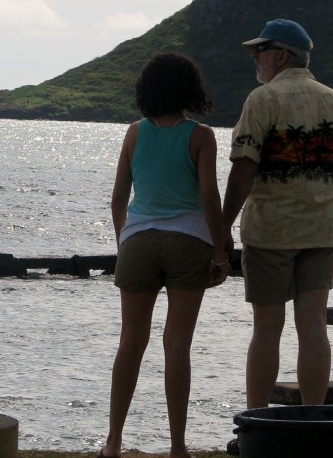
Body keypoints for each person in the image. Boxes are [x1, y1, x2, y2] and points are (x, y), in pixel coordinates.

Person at [221, 19, 333, 454]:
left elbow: (244, 167)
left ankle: (257, 424)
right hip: (322, 230)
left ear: (281, 55)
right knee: (313, 325)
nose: (255, 59)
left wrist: (221, 226)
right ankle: (314, 420)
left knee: (267, 327)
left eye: (260, 51)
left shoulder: (262, 99)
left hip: (271, 230)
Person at [98, 52, 231, 458]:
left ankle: (113, 443)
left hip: (139, 240)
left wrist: (126, 242)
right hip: (188, 241)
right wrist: (222, 250)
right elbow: (209, 196)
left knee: (130, 344)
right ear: (190, 90)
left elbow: (118, 199)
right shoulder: (201, 135)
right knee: (177, 345)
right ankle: (177, 447)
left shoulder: (134, 133)